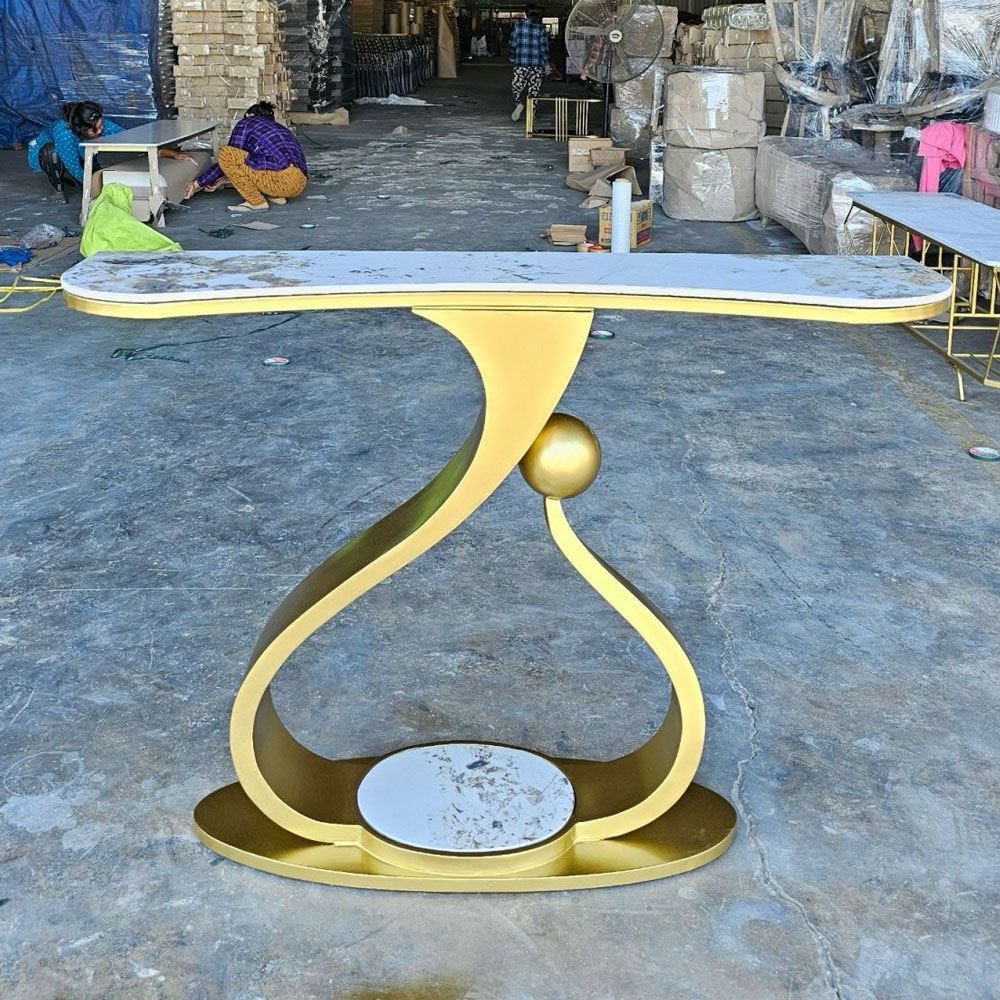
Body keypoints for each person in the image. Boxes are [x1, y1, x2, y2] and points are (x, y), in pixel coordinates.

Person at [27, 102, 195, 199]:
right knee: (52, 154)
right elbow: (73, 166)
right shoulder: (64, 133)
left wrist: (171, 154)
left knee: (92, 154)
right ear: (80, 128)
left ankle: (87, 171)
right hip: (46, 153)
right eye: (95, 129)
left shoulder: (101, 126)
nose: (100, 130)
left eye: (101, 125)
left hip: (79, 150)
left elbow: (134, 141)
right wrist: (94, 189)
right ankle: (58, 188)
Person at [184, 101, 308, 213]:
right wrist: (222, 180)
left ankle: (256, 202)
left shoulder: (247, 122)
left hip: (281, 179)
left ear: (249, 114)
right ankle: (275, 196)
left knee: (226, 153)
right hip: (299, 183)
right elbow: (249, 166)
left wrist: (198, 183)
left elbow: (230, 157)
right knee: (258, 161)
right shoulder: (281, 129)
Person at [508, 5, 550, 122]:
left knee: (516, 87)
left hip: (521, 63)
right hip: (537, 65)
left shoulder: (517, 26)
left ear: (526, 13)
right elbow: (544, 48)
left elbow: (512, 44)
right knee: (534, 90)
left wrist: (512, 57)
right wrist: (546, 63)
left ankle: (518, 103)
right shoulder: (541, 29)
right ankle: (531, 114)